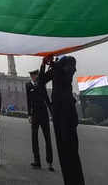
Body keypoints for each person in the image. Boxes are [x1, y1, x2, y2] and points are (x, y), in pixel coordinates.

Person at [39, 55, 85, 185]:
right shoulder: (56, 66)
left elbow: (66, 76)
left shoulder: (69, 61)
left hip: (68, 114)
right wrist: (43, 64)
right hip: (57, 113)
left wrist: (53, 63)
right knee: (62, 151)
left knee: (71, 151)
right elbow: (41, 82)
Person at [25, 69, 54, 171]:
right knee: (34, 138)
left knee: (47, 138)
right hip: (34, 115)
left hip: (43, 114)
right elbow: (28, 100)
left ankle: (49, 162)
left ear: (37, 75)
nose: (33, 76)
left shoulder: (41, 83)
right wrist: (29, 114)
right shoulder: (28, 85)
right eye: (32, 75)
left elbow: (46, 98)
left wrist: (52, 112)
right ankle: (37, 161)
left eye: (35, 75)